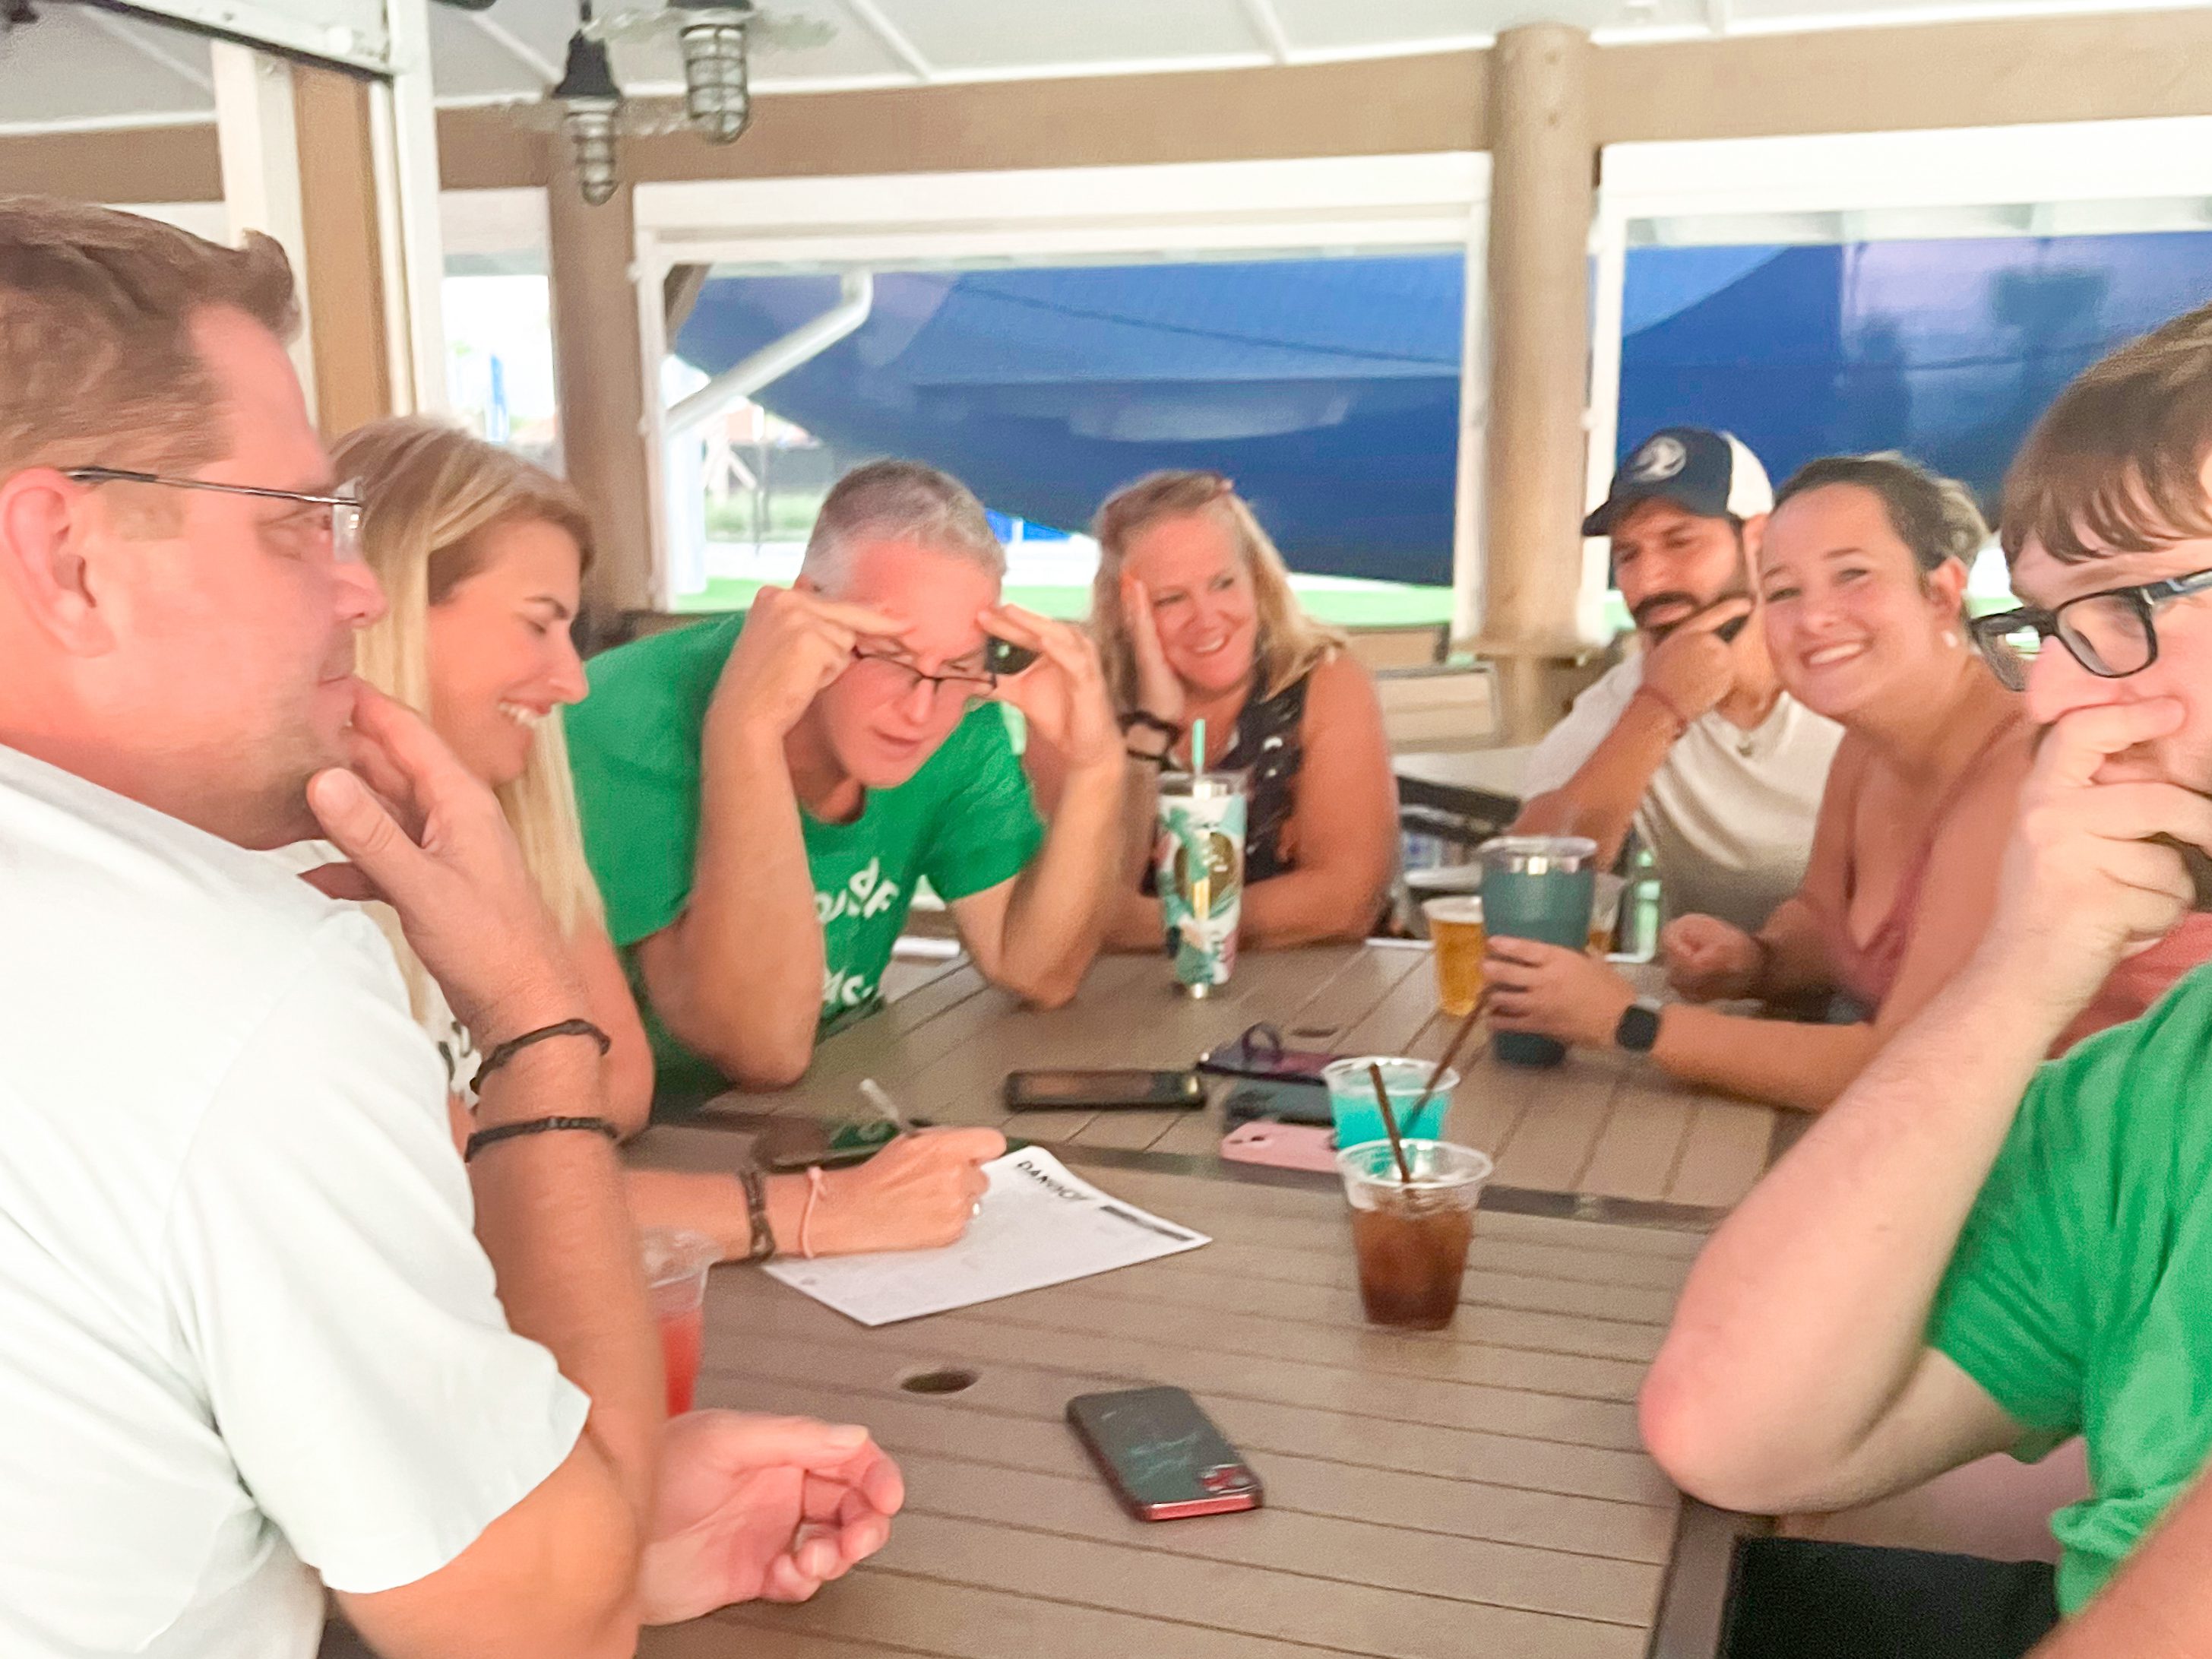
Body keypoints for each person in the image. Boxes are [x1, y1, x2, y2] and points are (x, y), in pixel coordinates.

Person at [0, 197, 897, 1658]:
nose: (356, 586)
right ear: (68, 554)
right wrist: (534, 1030)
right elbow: (548, 1638)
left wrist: (567, 1509)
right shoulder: (233, 983)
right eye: (298, 525)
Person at [1640, 300, 2212, 1657]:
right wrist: (2022, 966)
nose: (2055, 702)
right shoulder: (2160, 1088)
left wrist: (1627, 1019)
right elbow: (1728, 1428)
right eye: (2058, 626)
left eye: (2129, 602)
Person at [320, 415, 1003, 1258]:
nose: (572, 681)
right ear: (379, 607)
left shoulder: (498, 810)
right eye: (537, 624)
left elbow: (618, 1083)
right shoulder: (300, 878)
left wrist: (505, 1150)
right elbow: (453, 1188)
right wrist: (806, 1211)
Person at [566, 460, 1125, 1105]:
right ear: (804, 606)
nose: (920, 709)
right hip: (659, 1144)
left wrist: (1097, 766)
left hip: (840, 1104)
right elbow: (763, 1048)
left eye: (959, 665)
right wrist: (745, 729)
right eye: (888, 655)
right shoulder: (625, 715)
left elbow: (1036, 970)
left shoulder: (957, 706)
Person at [1027, 470, 1398, 950]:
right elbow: (1079, 908)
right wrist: (1152, 728)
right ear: (1123, 612)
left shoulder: (1324, 680)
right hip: (1118, 1003)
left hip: (1317, 1000)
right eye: (1171, 599)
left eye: (1223, 583)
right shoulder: (1073, 698)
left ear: (1256, 581)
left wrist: (1152, 924)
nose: (1207, 619)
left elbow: (1347, 902)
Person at [1514, 428, 1843, 935]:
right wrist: (1659, 708)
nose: (1648, 582)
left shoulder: (1850, 675)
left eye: (1679, 541)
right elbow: (1529, 896)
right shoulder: (1628, 702)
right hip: (1710, 1000)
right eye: (1628, 555)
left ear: (1761, 543)